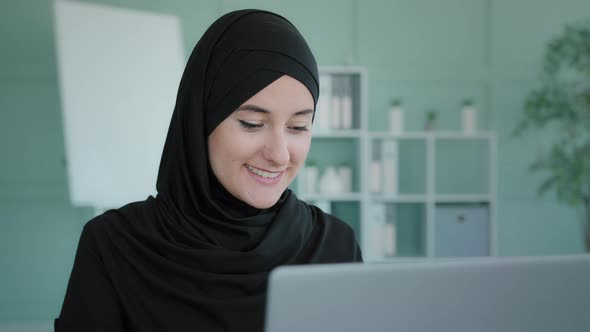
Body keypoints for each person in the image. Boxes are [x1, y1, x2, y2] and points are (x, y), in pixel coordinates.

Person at [55, 9, 362, 332]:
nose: (279, 154)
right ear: (200, 120)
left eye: (298, 126)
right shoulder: (114, 246)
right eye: (252, 123)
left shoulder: (334, 247)